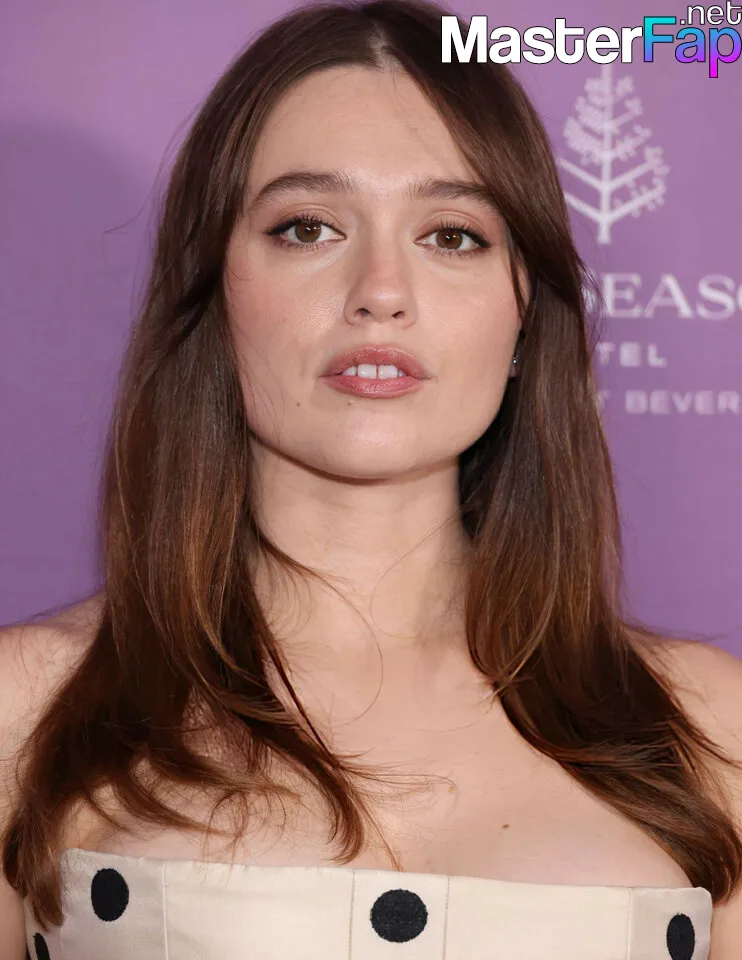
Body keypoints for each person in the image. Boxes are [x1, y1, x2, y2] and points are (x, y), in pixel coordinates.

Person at [2, 0, 742, 956]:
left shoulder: (710, 728)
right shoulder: (25, 708)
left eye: (453, 235)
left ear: (525, 311)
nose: (381, 292)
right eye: (308, 227)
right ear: (215, 291)